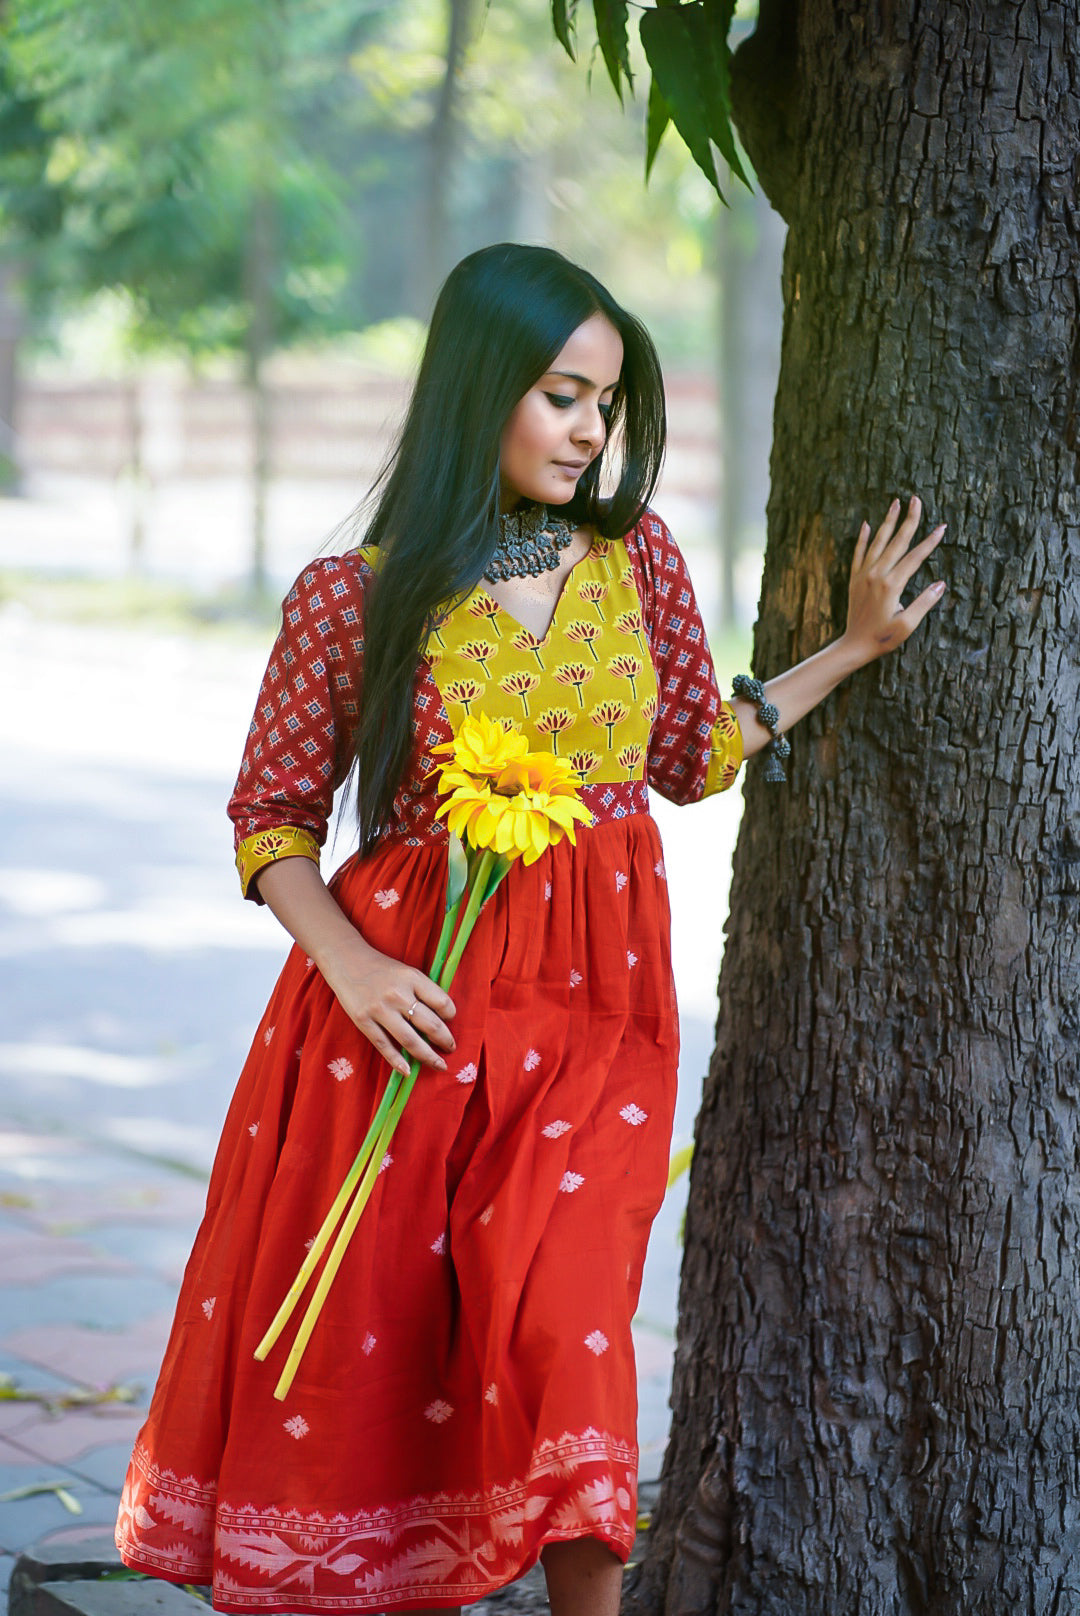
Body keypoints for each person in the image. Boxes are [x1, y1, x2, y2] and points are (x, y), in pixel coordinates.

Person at [114, 243, 945, 1615]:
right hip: (402, 1013)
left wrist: (850, 648)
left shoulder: (639, 565)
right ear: (480, 387)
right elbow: (270, 819)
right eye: (562, 394)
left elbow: (690, 754)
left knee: (566, 1329)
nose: (588, 430)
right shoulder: (358, 596)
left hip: (594, 1018)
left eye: (606, 405)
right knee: (384, 1338)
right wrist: (357, 965)